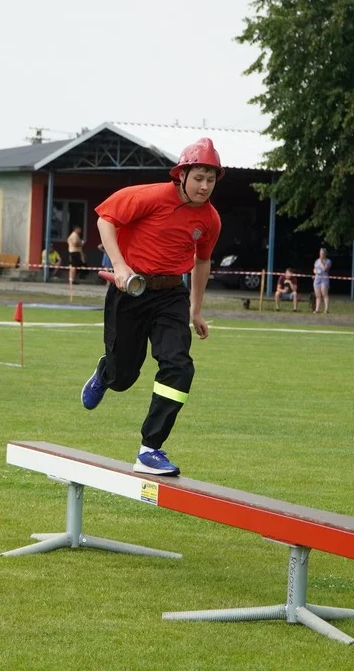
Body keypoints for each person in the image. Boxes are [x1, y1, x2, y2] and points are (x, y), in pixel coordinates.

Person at [80, 137, 222, 477]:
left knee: (179, 366)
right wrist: (119, 266)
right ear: (182, 175)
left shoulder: (211, 220)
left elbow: (202, 262)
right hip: (130, 290)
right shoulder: (149, 196)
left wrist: (196, 310)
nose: (204, 186)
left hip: (172, 295)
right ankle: (105, 373)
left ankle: (150, 448)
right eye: (199, 178)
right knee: (123, 377)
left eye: (211, 179)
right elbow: (105, 219)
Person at [312, 248, 331, 314]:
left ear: (325, 254)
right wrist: (315, 272)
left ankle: (326, 309)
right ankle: (317, 309)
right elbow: (314, 269)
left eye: (322, 253)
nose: (321, 255)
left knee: (324, 294)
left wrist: (322, 262)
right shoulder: (317, 261)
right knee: (318, 295)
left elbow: (325, 269)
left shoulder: (328, 261)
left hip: (324, 278)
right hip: (317, 278)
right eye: (320, 253)